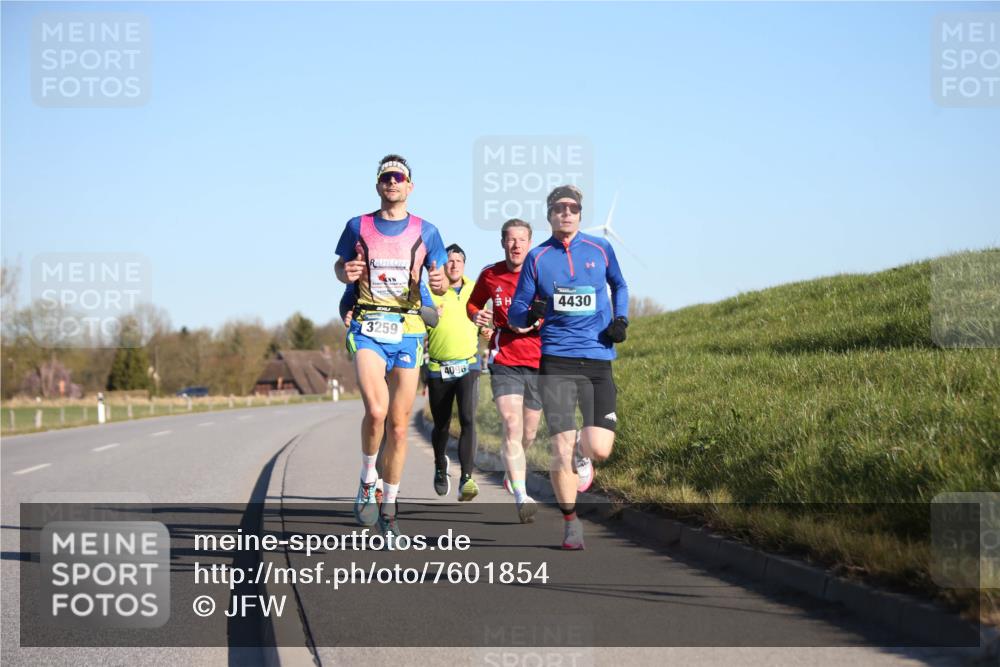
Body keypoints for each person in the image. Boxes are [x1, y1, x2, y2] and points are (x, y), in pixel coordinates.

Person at [334, 154, 447, 541]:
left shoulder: (427, 231)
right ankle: (368, 478)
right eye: (386, 177)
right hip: (367, 324)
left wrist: (438, 280)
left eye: (399, 177)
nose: (392, 182)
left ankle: (390, 508)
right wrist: (344, 272)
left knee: (399, 429)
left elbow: (443, 283)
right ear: (378, 185)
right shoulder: (358, 225)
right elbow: (339, 268)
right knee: (377, 411)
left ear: (410, 186)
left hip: (409, 330)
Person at [508, 185, 629, 550]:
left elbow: (619, 285)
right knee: (559, 450)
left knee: (600, 448)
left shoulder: (600, 248)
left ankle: (582, 448)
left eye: (572, 208)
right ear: (549, 215)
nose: (566, 213)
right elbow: (516, 310)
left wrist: (620, 319)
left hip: (597, 356)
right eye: (559, 208)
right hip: (556, 360)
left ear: (580, 213)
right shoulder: (537, 257)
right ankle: (571, 523)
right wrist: (531, 313)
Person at [467, 218, 543, 524]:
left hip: (538, 358)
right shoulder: (490, 274)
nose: (516, 245)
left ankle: (513, 472)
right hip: (505, 356)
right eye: (510, 240)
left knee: (529, 432)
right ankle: (522, 495)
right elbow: (472, 305)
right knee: (512, 424)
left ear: (529, 243)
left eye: (522, 240)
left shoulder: (542, 273)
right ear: (502, 243)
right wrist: (478, 316)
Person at [426, 244, 483, 501]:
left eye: (459, 260)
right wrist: (428, 316)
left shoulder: (476, 289)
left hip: (469, 364)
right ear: (443, 265)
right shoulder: (431, 290)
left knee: (469, 419)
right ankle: (440, 464)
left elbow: (485, 321)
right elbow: (417, 322)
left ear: (464, 264)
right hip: (439, 367)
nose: (454, 265)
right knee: (442, 424)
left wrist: (488, 329)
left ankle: (467, 479)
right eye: (449, 260)